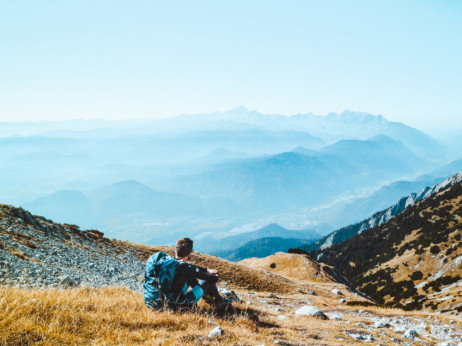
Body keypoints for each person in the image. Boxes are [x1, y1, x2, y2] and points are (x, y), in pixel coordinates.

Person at [145, 237, 231, 310]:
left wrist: (206, 270)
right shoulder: (186, 268)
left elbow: (190, 268)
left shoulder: (170, 264)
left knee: (190, 278)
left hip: (157, 302)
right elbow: (212, 279)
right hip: (177, 305)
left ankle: (210, 299)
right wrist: (214, 275)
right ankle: (220, 303)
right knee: (208, 282)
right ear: (189, 254)